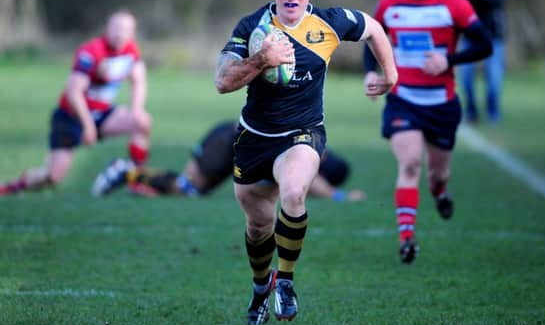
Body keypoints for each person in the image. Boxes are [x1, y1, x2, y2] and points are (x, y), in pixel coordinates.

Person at [214, 0, 397, 325]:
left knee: (295, 192)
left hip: (303, 133)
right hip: (253, 137)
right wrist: (261, 60)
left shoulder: (329, 23)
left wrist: (390, 73)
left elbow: (374, 28)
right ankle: (262, 287)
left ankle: (286, 282)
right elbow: (222, 81)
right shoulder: (253, 27)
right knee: (258, 225)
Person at [363, 0, 492, 264]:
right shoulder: (389, 6)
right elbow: (372, 40)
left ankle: (439, 192)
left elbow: (485, 45)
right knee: (409, 164)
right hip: (403, 100)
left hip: (442, 104)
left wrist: (449, 59)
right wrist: (370, 72)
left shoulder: (454, 6)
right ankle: (407, 237)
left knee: (438, 173)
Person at [0, 11, 151, 196]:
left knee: (141, 121)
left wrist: (136, 108)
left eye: (126, 29)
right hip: (72, 117)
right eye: (116, 28)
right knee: (52, 177)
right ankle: (13, 186)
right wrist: (87, 125)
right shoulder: (91, 51)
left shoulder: (131, 51)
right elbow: (73, 91)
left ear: (132, 33)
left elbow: (139, 79)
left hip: (102, 114)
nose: (120, 33)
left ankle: (135, 179)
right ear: (107, 29)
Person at [91, 120, 366, 202]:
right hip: (227, 140)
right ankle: (127, 171)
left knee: (193, 190)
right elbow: (314, 182)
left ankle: (133, 177)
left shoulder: (310, 141)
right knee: (190, 186)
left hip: (232, 141)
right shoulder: (308, 150)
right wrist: (341, 197)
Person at [456, 0, 507, 123]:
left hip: (493, 36)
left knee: (494, 78)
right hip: (469, 36)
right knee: (466, 78)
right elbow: (460, 0)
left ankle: (493, 111)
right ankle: (471, 111)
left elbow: (497, 0)